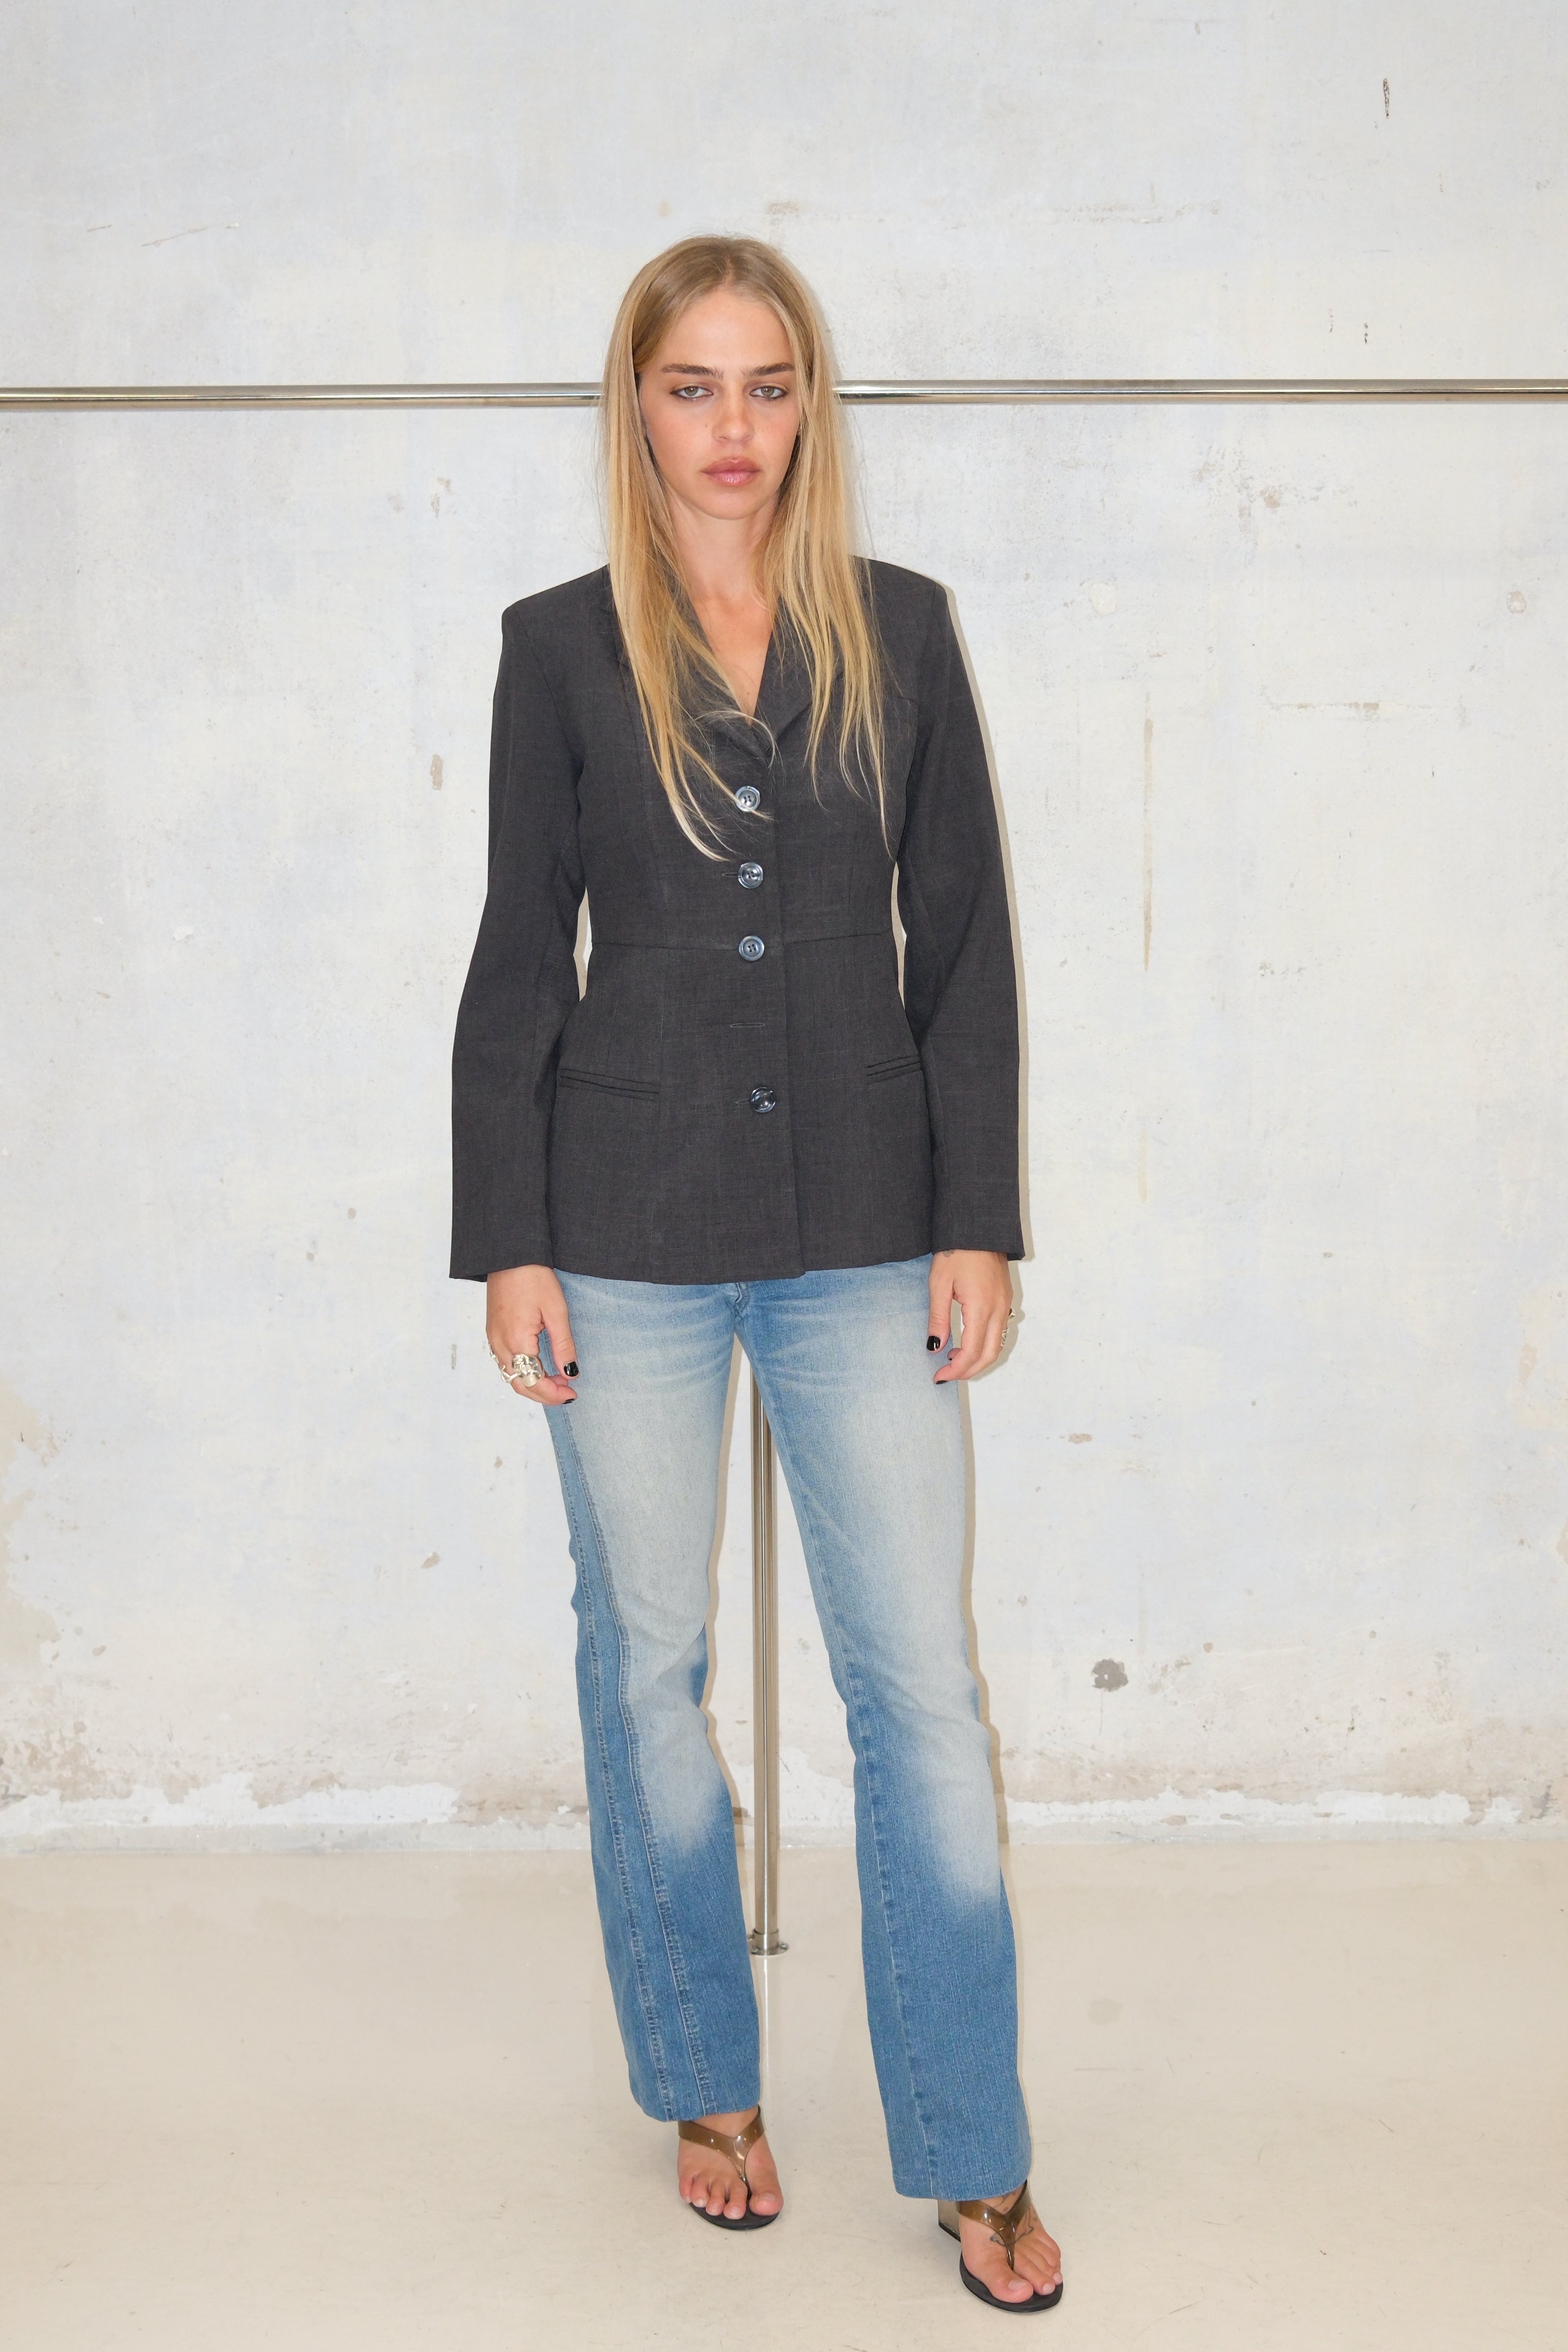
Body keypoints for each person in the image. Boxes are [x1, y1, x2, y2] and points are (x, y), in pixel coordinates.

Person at [449, 234, 1063, 2314]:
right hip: (617, 1229)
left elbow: (961, 944)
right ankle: (706, 2084)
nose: (735, 427)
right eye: (695, 385)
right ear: (637, 406)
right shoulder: (558, 650)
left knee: (920, 1693)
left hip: (868, 1221)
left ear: (813, 406)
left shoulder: (902, 631)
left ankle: (973, 2148)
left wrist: (974, 1212)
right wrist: (510, 1239)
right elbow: (520, 958)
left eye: (770, 384)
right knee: (646, 1665)